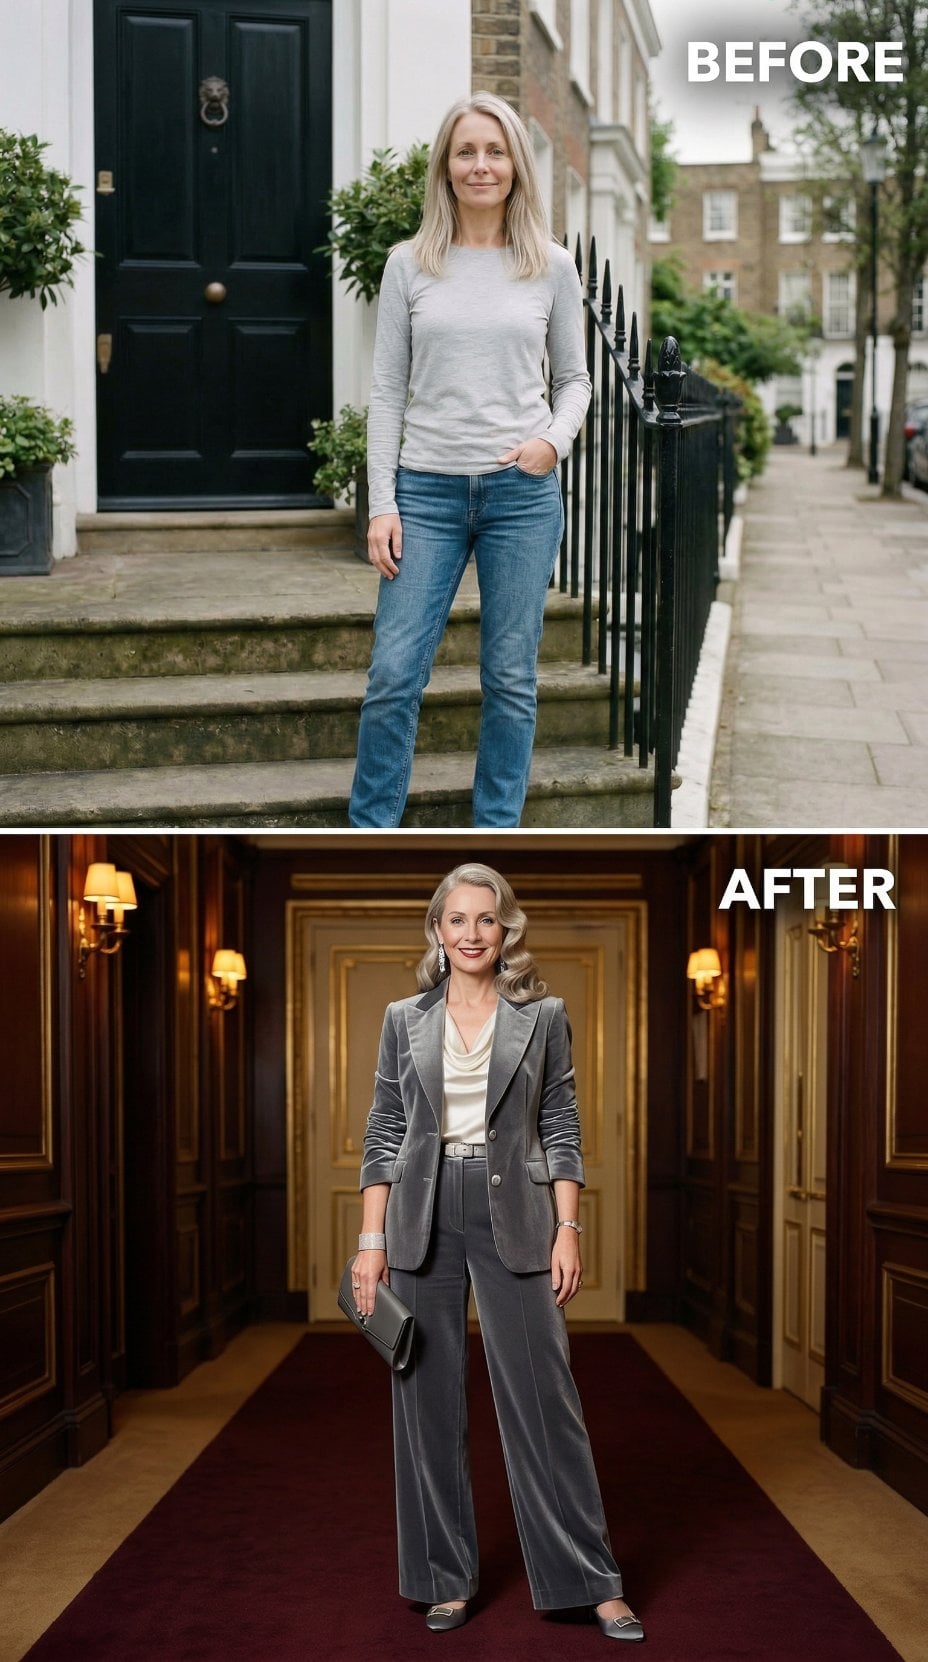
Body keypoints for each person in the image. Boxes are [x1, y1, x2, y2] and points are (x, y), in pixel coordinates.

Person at [354, 863, 644, 1643]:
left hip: (515, 1208)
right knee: (426, 1403)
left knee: (546, 1401)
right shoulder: (402, 1018)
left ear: (505, 928)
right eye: (458, 919)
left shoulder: (542, 1016)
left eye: (486, 919)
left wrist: (568, 1226)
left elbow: (561, 1123)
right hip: (420, 1213)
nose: (472, 933)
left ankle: (593, 1581)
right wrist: (370, 1242)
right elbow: (385, 1129)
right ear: (438, 930)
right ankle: (443, 1578)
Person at [348, 94, 591, 828]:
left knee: (511, 679)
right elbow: (386, 390)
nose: (480, 165)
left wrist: (553, 442)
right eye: (466, 152)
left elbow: (575, 380)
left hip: (521, 495)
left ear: (516, 165)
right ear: (445, 167)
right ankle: (372, 828)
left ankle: (497, 828)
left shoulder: (550, 265)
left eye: (495, 151)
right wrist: (382, 504)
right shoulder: (409, 264)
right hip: (425, 493)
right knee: (393, 674)